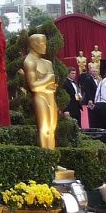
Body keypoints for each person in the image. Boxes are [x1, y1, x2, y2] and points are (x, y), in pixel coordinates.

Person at [23, 35, 71, 175]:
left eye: (45, 43)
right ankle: (46, 162)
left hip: (50, 97)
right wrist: (49, 79)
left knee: (52, 129)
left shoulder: (47, 62)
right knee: (44, 129)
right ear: (33, 44)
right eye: (42, 43)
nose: (45, 46)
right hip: (40, 98)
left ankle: (53, 161)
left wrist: (50, 83)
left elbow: (52, 85)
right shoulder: (29, 61)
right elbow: (33, 86)